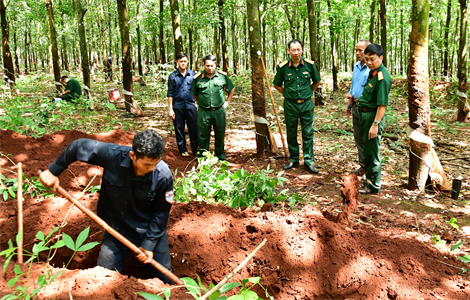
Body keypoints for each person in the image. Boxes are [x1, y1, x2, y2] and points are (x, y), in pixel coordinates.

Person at [39, 130, 174, 283]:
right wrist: (53, 171)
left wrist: (149, 244)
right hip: (117, 228)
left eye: (155, 164)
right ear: (132, 155)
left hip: (148, 229)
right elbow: (78, 146)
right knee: (102, 279)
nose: (152, 168)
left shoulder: (163, 175)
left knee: (165, 282)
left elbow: (161, 212)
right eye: (147, 165)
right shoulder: (113, 156)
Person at [273, 39, 322, 174]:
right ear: (289, 51)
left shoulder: (309, 65)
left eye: (298, 49)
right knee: (291, 132)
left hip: (306, 104)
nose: (296, 52)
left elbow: (317, 81)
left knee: (307, 133)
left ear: (302, 50)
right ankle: (294, 159)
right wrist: (287, 94)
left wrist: (309, 92)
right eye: (293, 50)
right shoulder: (284, 67)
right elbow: (276, 84)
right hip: (290, 105)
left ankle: (309, 161)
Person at [356, 43, 392, 195]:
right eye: (367, 59)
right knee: (368, 150)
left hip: (373, 117)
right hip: (365, 115)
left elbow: (382, 105)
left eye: (373, 59)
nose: (369, 62)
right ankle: (368, 180)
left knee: (373, 152)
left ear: (381, 58)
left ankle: (374, 184)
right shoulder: (374, 73)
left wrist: (375, 124)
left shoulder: (383, 77)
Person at [191, 54, 234, 161]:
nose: (210, 68)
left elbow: (231, 88)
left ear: (215, 65)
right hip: (203, 111)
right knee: (202, 134)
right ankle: (203, 157)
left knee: (220, 133)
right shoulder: (198, 78)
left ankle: (220, 155)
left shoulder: (222, 76)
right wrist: (199, 102)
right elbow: (195, 93)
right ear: (203, 66)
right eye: (207, 66)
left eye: (212, 66)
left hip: (219, 110)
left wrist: (227, 102)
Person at [345, 39, 371, 175]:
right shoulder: (356, 66)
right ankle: (363, 166)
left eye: (360, 50)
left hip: (367, 108)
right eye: (356, 50)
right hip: (355, 106)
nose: (357, 53)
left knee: (368, 138)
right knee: (359, 137)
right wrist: (350, 103)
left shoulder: (372, 68)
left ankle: (371, 168)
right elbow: (353, 85)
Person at [167, 53, 198, 156]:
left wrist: (197, 103)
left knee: (193, 127)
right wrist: (170, 109)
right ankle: (183, 149)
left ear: (187, 62)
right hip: (178, 106)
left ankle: (195, 148)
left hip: (190, 105)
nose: (183, 63)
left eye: (185, 61)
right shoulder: (172, 76)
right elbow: (170, 94)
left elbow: (196, 91)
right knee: (179, 128)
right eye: (181, 61)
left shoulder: (193, 75)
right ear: (177, 62)